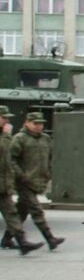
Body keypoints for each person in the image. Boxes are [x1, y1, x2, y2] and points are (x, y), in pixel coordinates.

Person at [11, 112, 64, 251]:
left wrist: (49, 173)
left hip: (39, 181)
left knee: (21, 211)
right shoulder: (19, 139)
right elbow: (11, 160)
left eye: (41, 123)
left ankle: (6, 239)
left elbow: (52, 157)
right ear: (27, 123)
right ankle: (50, 239)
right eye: (36, 123)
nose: (39, 126)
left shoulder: (45, 139)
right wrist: (21, 175)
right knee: (36, 210)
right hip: (24, 182)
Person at [0, 106, 38, 254]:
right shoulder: (5, 136)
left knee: (11, 213)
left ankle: (22, 242)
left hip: (3, 184)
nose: (7, 121)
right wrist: (7, 135)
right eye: (4, 118)